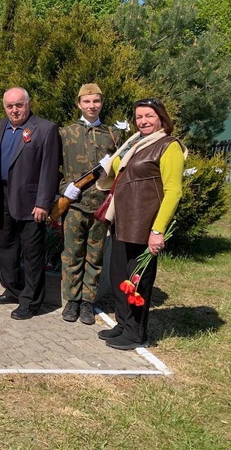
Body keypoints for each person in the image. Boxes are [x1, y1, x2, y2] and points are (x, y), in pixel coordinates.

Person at [96, 98, 186, 350]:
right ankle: (124, 324)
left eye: (149, 116)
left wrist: (157, 230)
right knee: (118, 276)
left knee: (138, 280)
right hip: (123, 222)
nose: (143, 121)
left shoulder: (168, 146)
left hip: (144, 224)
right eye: (138, 117)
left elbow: (173, 191)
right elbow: (117, 169)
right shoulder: (134, 144)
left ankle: (136, 332)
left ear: (161, 118)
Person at [0, 87, 60, 320]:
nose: (14, 110)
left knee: (32, 254)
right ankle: (12, 289)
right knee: (6, 247)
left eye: (19, 105)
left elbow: (50, 170)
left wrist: (43, 203)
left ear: (28, 104)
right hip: (3, 197)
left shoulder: (45, 129)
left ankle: (31, 302)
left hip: (31, 201)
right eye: (10, 106)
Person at [58, 84, 122, 325]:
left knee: (94, 256)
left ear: (101, 103)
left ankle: (87, 302)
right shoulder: (65, 133)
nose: (91, 106)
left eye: (96, 101)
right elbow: (54, 167)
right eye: (87, 102)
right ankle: (72, 301)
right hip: (74, 205)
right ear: (79, 104)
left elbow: (118, 171)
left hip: (100, 206)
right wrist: (64, 189)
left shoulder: (113, 136)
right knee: (72, 254)